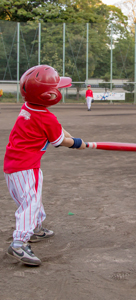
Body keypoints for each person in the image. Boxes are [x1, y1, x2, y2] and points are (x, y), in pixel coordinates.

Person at [4, 65, 86, 266]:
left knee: (31, 198)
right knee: (30, 202)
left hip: (13, 166)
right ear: (47, 95)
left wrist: (72, 136)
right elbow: (59, 141)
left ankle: (36, 229)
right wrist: (76, 143)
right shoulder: (45, 117)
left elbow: (57, 129)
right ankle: (19, 242)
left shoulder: (29, 108)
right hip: (26, 167)